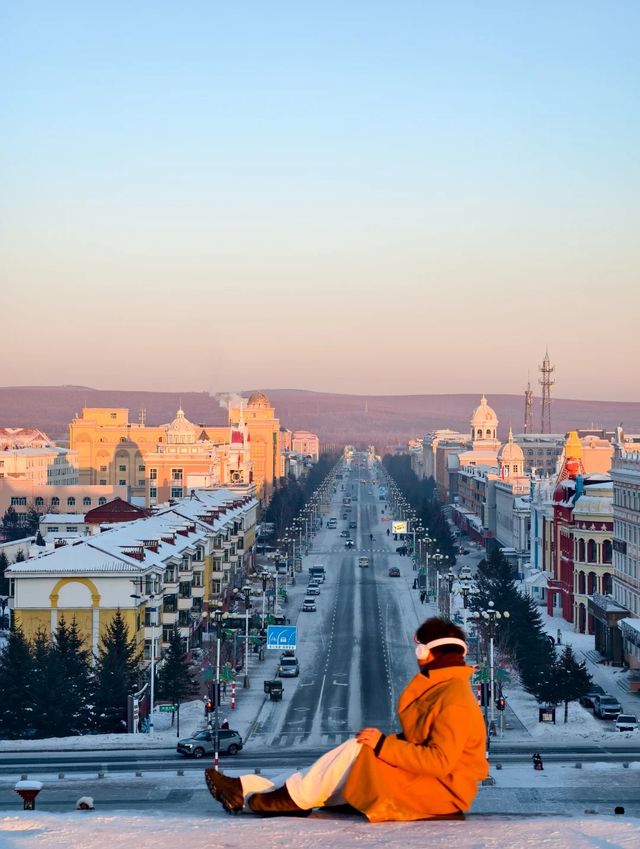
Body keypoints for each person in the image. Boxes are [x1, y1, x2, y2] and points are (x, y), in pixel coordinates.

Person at [205, 617, 488, 821]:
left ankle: (287, 799)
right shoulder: (444, 687)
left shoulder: (454, 699)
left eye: (419, 649)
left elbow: (439, 762)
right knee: (338, 763)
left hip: (440, 793)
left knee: (358, 749)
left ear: (427, 652)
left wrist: (383, 745)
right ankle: (246, 790)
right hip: (426, 784)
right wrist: (384, 744)